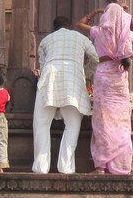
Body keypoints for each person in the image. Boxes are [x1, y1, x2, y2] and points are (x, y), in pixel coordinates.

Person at [77, 2, 133, 174]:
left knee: (102, 121)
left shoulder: (99, 32)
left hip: (103, 76)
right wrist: (128, 17)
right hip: (119, 77)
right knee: (121, 121)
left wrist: (94, 12)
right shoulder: (125, 35)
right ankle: (121, 165)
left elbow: (79, 24)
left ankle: (101, 166)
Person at [33, 15, 98, 174]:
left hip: (49, 79)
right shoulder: (80, 37)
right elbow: (96, 59)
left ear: (54, 28)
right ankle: (66, 167)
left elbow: (42, 65)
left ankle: (41, 167)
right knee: (72, 125)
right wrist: (84, 71)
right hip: (73, 81)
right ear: (70, 27)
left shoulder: (46, 40)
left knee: (42, 124)